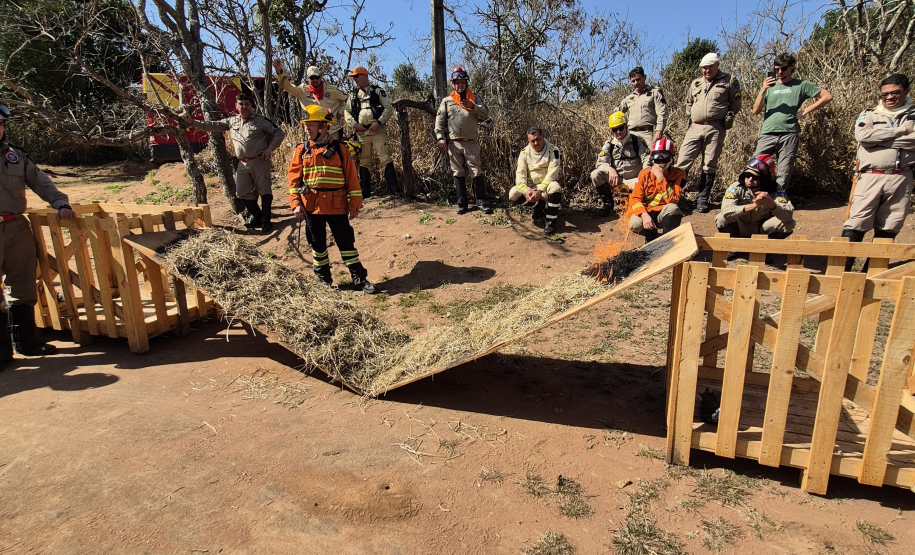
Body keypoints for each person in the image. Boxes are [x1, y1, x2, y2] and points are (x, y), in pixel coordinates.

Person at [0, 104, 77, 367]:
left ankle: (27, 343)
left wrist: (61, 203)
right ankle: (1, 353)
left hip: (15, 227)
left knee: (22, 285)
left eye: (0, 124)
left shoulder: (15, 157)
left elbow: (41, 182)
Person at [289, 105, 375, 294]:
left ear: (324, 127)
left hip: (337, 206)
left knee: (346, 244)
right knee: (317, 245)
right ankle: (323, 280)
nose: (307, 129)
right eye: (306, 125)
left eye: (311, 125)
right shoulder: (302, 150)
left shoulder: (340, 149)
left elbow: (353, 180)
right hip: (312, 207)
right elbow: (294, 181)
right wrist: (295, 204)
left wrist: (355, 205)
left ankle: (359, 279)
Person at [842, 73, 915, 270]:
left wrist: (880, 140)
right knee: (856, 221)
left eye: (895, 93)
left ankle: (872, 271)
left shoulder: (913, 115)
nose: (889, 98)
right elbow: (864, 137)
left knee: (890, 223)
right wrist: (900, 132)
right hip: (871, 175)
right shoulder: (869, 114)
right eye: (885, 94)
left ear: (906, 91)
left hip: (902, 176)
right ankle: (842, 269)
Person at [185, 93, 285, 232]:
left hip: (259, 161)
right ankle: (257, 215)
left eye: (247, 104)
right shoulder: (232, 121)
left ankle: (265, 220)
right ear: (236, 106)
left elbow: (279, 133)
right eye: (241, 104)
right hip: (242, 163)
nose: (244, 107)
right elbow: (213, 125)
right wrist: (193, 122)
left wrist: (269, 149)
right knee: (242, 192)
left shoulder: (261, 121)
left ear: (251, 106)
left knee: (264, 190)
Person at [752, 53, 832, 191]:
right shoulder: (770, 86)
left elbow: (827, 96)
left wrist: (804, 112)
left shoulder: (801, 85)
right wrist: (763, 89)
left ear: (792, 66)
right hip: (768, 132)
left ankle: (777, 202)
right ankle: (756, 200)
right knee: (755, 166)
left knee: (784, 171)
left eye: (783, 69)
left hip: (789, 133)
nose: (780, 72)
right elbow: (755, 110)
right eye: (777, 69)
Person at [675, 52, 742, 213]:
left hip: (715, 127)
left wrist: (726, 117)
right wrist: (691, 118)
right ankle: (675, 196)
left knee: (709, 164)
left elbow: (736, 104)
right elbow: (689, 103)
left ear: (717, 65)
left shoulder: (729, 81)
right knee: (682, 162)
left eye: (709, 67)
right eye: (704, 68)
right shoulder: (696, 83)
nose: (706, 71)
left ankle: (702, 199)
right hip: (695, 126)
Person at [435, 66, 492, 215]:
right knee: (458, 172)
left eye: (462, 82)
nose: (460, 85)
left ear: (466, 83)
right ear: (453, 84)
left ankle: (481, 202)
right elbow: (439, 122)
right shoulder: (447, 101)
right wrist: (440, 137)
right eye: (457, 82)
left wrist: (473, 107)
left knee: (476, 171)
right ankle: (462, 204)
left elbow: (485, 114)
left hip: (471, 142)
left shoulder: (475, 98)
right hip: (454, 143)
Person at [343, 66, 400, 198]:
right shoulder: (353, 95)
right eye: (353, 78)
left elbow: (388, 108)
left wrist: (379, 123)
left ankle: (394, 190)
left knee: (385, 158)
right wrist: (355, 125)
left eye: (356, 77)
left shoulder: (378, 91)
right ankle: (365, 191)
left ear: (365, 76)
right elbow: (346, 111)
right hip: (362, 133)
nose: (355, 80)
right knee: (364, 160)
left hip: (378, 131)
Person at [715, 155, 795, 240]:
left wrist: (770, 203)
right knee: (721, 218)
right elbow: (726, 211)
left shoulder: (775, 189)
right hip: (740, 227)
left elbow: (788, 216)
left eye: (755, 177)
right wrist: (753, 206)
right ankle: (735, 249)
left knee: (788, 224)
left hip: (762, 228)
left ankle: (765, 249)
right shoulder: (736, 187)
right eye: (747, 175)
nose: (750, 179)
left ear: (764, 179)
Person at [591, 111, 651, 217]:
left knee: (648, 177)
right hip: (617, 180)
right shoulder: (609, 145)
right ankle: (608, 204)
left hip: (635, 181)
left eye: (621, 128)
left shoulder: (637, 141)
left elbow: (647, 159)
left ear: (626, 126)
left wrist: (642, 177)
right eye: (615, 130)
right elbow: (600, 163)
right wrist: (609, 169)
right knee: (595, 174)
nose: (618, 132)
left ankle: (632, 200)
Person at [272, 61, 349, 140]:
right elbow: (287, 87)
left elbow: (349, 99)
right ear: (307, 78)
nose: (315, 80)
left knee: (334, 152)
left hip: (333, 132)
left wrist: (342, 111)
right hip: (312, 133)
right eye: (312, 78)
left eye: (317, 77)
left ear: (321, 77)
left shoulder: (332, 90)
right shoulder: (302, 91)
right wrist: (279, 71)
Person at [628, 139, 684, 242]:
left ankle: (668, 240)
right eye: (657, 159)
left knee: (673, 209)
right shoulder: (644, 174)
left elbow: (673, 201)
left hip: (663, 213)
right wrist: (644, 216)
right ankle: (651, 237)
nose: (661, 162)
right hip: (647, 211)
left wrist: (661, 179)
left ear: (671, 158)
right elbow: (635, 199)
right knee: (635, 223)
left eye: (665, 158)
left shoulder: (678, 174)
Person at [509, 128, 563, 235]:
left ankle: (550, 222)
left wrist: (539, 190)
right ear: (529, 141)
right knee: (513, 194)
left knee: (555, 187)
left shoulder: (553, 150)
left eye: (538, 139)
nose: (536, 143)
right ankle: (538, 206)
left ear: (543, 137)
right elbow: (520, 175)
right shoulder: (524, 152)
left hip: (546, 186)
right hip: (531, 187)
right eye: (532, 141)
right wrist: (525, 191)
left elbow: (553, 173)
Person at [620, 66, 668, 146]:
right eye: (633, 81)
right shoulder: (630, 97)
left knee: (649, 158)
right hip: (631, 135)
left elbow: (662, 113)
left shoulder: (654, 93)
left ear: (644, 77)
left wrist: (659, 131)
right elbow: (618, 111)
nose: (636, 83)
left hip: (648, 134)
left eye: (638, 79)